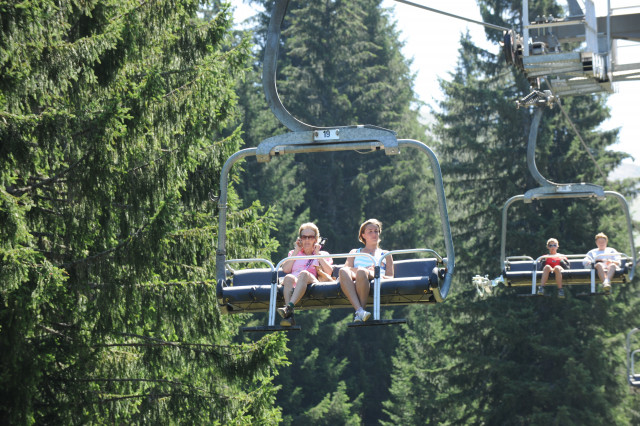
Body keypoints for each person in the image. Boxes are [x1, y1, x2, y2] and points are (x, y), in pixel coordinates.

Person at [277, 223, 333, 326]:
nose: (307, 240)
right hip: (295, 280)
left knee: (304, 274)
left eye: (310, 237)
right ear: (300, 239)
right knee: (288, 277)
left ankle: (289, 307)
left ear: (315, 239)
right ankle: (290, 316)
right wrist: (296, 250)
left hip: (312, 280)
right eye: (304, 237)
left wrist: (317, 254)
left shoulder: (323, 254)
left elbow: (329, 271)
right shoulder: (293, 253)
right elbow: (286, 269)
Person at [339, 218, 394, 322]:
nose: (374, 234)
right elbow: (346, 269)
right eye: (370, 231)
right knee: (343, 271)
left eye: (376, 231)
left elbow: (390, 277)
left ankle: (360, 310)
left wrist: (375, 272)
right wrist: (364, 269)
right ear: (363, 235)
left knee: (361, 272)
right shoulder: (355, 252)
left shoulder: (386, 254)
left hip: (377, 277)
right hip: (358, 275)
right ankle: (360, 312)